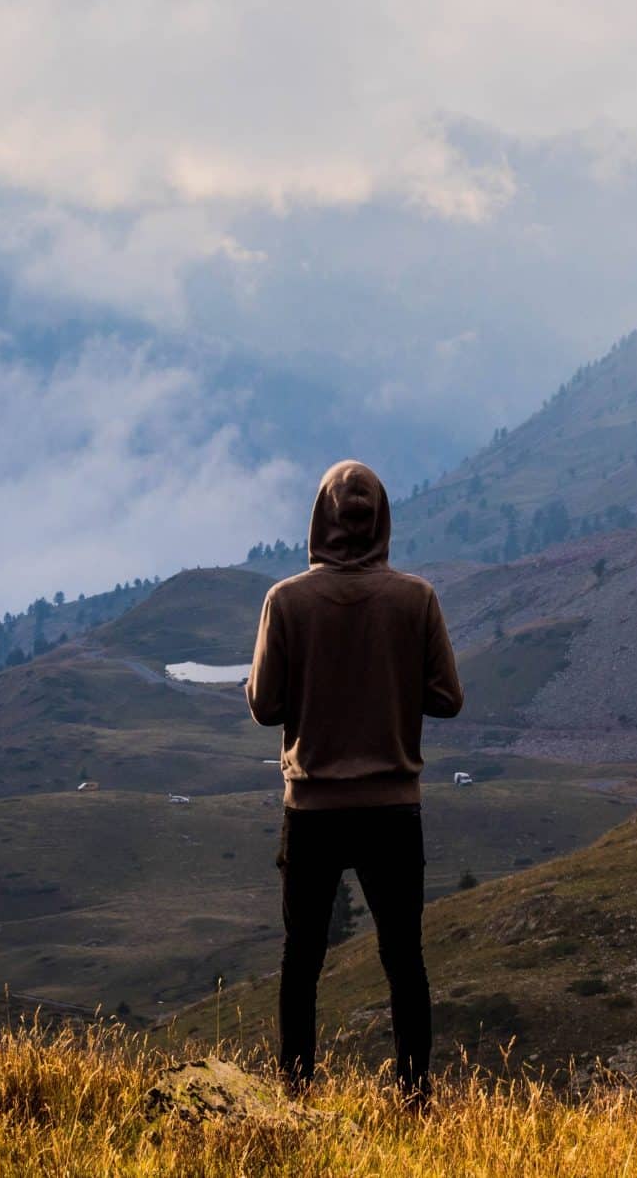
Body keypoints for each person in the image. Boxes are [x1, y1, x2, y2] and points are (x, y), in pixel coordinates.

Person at [246, 459, 463, 1098]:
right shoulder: (415, 599)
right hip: (393, 810)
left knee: (301, 961)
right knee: (404, 960)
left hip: (312, 809)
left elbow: (265, 706)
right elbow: (448, 698)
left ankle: (296, 1094)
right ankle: (414, 1097)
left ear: (320, 516)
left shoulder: (286, 601)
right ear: (382, 520)